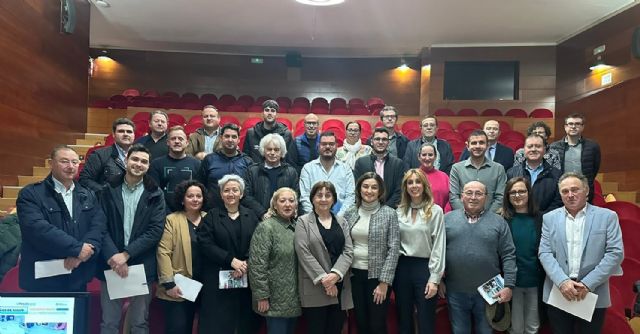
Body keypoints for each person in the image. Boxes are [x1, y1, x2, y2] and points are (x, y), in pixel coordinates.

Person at [538, 172, 623, 334]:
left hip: (592, 291)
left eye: (575, 189)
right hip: (559, 291)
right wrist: (563, 282)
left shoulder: (607, 217)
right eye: (565, 191)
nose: (570, 195)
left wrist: (587, 284)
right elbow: (545, 252)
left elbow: (615, 253)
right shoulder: (549, 218)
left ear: (586, 191)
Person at [17, 145, 106, 292]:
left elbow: (98, 226)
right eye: (64, 161)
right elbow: (38, 229)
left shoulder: (88, 194)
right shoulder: (31, 194)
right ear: (51, 163)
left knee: (78, 315)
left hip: (77, 274)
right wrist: (77, 249)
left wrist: (83, 253)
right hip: (44, 277)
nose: (70, 166)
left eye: (75, 162)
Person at [97, 144, 166, 334]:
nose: (139, 164)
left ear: (148, 166)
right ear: (126, 160)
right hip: (110, 263)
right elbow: (100, 226)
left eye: (144, 161)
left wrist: (126, 255)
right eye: (135, 159)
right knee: (109, 322)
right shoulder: (107, 189)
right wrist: (114, 256)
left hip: (141, 265)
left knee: (139, 323)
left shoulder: (155, 193)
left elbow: (155, 230)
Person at [440, 181, 517, 334]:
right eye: (469, 193)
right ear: (462, 196)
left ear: (486, 197)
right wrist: (439, 280)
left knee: (485, 331)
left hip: (488, 293)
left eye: (479, 193)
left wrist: (509, 285)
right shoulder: (446, 219)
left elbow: (508, 255)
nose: (473, 197)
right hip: (456, 291)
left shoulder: (499, 222)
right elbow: (437, 253)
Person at [198, 175, 260, 334]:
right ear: (221, 194)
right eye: (226, 190)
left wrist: (244, 263)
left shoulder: (251, 215)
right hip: (217, 279)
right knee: (218, 324)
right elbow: (205, 243)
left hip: (245, 277)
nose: (230, 193)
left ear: (242, 194)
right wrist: (231, 260)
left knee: (245, 322)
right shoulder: (211, 216)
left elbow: (258, 243)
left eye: (235, 190)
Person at [343, 172, 400, 334]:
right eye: (365, 186)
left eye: (374, 187)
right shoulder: (350, 212)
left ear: (380, 191)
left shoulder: (389, 213)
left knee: (377, 325)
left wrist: (384, 283)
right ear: (359, 189)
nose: (369, 190)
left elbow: (394, 249)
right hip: (354, 275)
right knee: (361, 322)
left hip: (378, 278)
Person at [294, 181, 354, 334]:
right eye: (319, 195)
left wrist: (335, 275)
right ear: (312, 198)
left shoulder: (342, 221)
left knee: (335, 329)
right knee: (316, 329)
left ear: (334, 199)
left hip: (340, 285)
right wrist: (325, 280)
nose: (323, 199)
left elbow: (348, 251)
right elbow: (303, 252)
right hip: (316, 287)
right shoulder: (303, 221)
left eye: (328, 195)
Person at [394, 169, 445, 334]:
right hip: (402, 268)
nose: (414, 186)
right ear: (405, 187)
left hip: (424, 268)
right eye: (410, 182)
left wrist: (435, 278)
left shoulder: (435, 210)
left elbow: (439, 245)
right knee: (404, 317)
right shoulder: (399, 211)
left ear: (424, 185)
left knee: (425, 318)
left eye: (418, 182)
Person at [156, 180, 208, 334]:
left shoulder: (210, 218)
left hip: (206, 286)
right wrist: (169, 284)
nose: (195, 199)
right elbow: (163, 252)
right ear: (182, 199)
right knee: (178, 328)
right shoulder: (172, 220)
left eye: (199, 196)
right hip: (179, 286)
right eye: (190, 196)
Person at [249, 187, 301, 334]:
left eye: (291, 201)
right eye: (282, 200)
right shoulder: (266, 228)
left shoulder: (298, 227)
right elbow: (257, 265)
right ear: (275, 205)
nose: (287, 204)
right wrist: (261, 296)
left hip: (294, 299)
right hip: (273, 301)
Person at [500, 177, 544, 334]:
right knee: (516, 328)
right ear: (507, 196)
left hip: (535, 279)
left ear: (529, 193)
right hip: (512, 282)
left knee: (533, 326)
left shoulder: (542, 219)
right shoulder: (502, 220)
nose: (517, 195)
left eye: (521, 191)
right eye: (513, 192)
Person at [449, 130, 507, 213]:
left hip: (490, 218)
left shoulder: (498, 169)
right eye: (474, 143)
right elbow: (454, 197)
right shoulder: (457, 168)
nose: (477, 146)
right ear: (467, 146)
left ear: (487, 145)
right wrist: (466, 215)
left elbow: (500, 197)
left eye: (481, 143)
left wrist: (487, 217)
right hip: (463, 219)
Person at [299, 131, 355, 216]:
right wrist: (315, 217)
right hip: (313, 219)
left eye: (331, 144)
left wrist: (338, 217)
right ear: (318, 146)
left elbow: (350, 196)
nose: (328, 147)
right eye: (324, 144)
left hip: (341, 219)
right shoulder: (308, 169)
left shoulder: (346, 169)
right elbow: (305, 196)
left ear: (336, 146)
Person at [549, 113, 601, 203]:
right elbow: (551, 170)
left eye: (577, 124)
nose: (573, 127)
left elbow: (594, 169)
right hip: (561, 192)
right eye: (570, 124)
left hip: (583, 191)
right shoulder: (554, 147)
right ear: (565, 127)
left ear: (582, 127)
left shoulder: (592, 146)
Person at [243, 133, 299, 218]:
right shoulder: (252, 171)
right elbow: (246, 196)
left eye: (276, 150)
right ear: (263, 151)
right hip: (258, 218)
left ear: (282, 152)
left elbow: (296, 196)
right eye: (269, 149)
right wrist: (262, 213)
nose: (272, 153)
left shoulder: (291, 172)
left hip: (285, 219)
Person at [198, 123, 254, 206]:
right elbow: (200, 185)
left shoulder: (247, 161)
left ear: (238, 140)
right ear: (221, 138)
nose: (230, 140)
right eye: (227, 136)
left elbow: (251, 190)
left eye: (234, 137)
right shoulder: (209, 160)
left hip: (240, 211)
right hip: (212, 210)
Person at [148, 126, 201, 212]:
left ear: (187, 143)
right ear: (168, 142)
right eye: (173, 139)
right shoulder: (156, 164)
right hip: (163, 213)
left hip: (190, 213)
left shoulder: (197, 164)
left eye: (180, 139)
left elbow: (199, 193)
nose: (177, 141)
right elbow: (154, 193)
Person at [354, 128, 408, 209]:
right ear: (372, 142)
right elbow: (357, 188)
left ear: (388, 142)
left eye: (384, 139)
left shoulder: (398, 163)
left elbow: (399, 191)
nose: (380, 142)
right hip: (366, 209)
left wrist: (385, 209)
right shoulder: (361, 162)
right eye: (377, 139)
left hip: (390, 210)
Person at [507, 134, 562, 213]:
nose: (533, 149)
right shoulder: (511, 173)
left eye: (538, 146)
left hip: (546, 221)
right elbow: (507, 199)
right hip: (518, 218)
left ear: (545, 149)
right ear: (524, 149)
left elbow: (558, 201)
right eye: (530, 146)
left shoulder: (556, 174)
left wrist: (543, 217)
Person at [79, 118, 135, 192]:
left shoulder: (141, 155)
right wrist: (106, 192)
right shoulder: (99, 155)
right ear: (113, 135)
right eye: (121, 131)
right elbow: (84, 179)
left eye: (129, 132)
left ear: (134, 135)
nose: (125, 134)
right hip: (107, 201)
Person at [243, 99, 299, 169]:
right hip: (256, 174)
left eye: (273, 111)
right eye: (267, 110)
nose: (269, 113)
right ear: (262, 113)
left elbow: (290, 160)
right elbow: (246, 158)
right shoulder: (251, 133)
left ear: (276, 114)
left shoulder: (286, 134)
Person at [417, 143, 450, 209]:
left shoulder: (444, 177)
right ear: (419, 157)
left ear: (435, 157)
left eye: (430, 155)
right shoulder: (413, 176)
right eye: (424, 155)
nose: (427, 158)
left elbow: (450, 199)